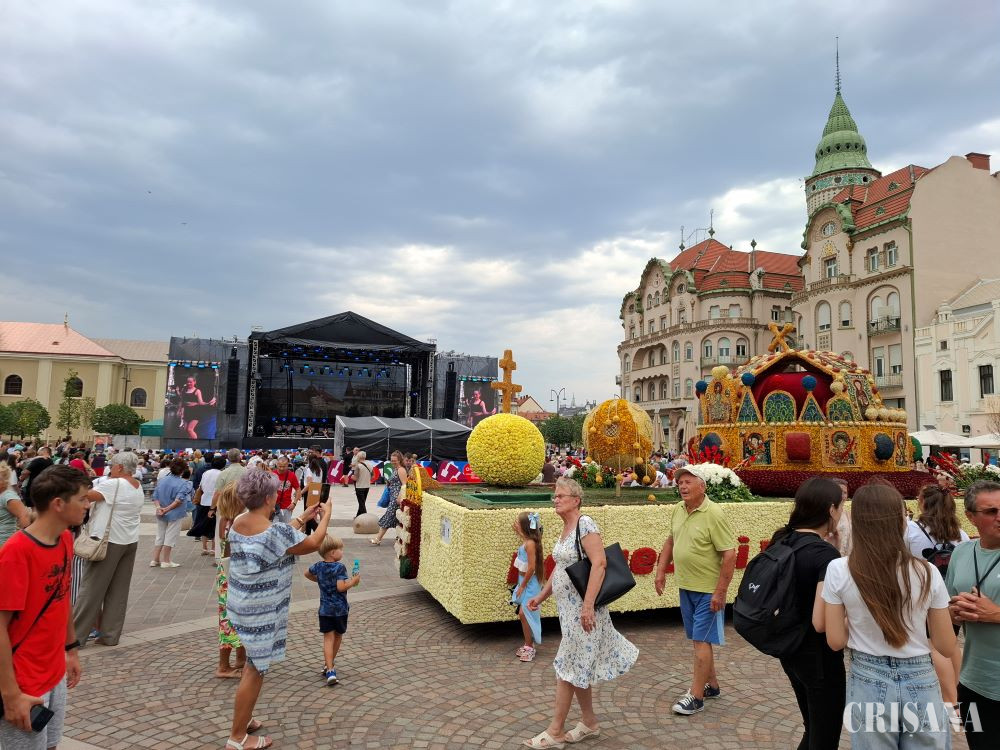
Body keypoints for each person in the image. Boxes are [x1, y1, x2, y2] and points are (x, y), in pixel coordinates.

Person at [823, 482, 956, 748]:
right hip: (920, 676)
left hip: (867, 677)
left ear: (858, 522)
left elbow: (835, 641)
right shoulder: (927, 572)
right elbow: (946, 645)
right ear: (901, 521)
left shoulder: (838, 569)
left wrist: (858, 618)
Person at [523, 477, 637, 747]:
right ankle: (589, 723)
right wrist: (541, 596)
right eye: (555, 496)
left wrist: (587, 606)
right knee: (578, 666)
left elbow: (599, 564)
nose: (556, 500)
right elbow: (561, 568)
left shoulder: (585, 524)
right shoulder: (566, 529)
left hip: (584, 613)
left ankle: (555, 732)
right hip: (569, 613)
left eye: (560, 496)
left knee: (568, 667)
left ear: (576, 500)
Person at [223, 470, 333, 750]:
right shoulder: (276, 532)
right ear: (269, 498)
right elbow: (312, 543)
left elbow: (279, 539)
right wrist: (326, 516)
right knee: (254, 669)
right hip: (260, 609)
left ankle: (244, 718)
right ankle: (237, 737)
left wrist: (303, 517)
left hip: (241, 603)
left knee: (252, 664)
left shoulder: (239, 521)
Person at [0, 465, 89, 749]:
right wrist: (10, 695)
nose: (88, 505)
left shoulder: (65, 538)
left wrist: (70, 649)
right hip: (22, 678)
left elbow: (62, 598)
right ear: (58, 504)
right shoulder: (16, 552)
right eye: (82, 499)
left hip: (53, 670)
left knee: (50, 744)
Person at [654, 465, 736, 715]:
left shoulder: (714, 513)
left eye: (688, 482)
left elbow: (730, 554)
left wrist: (720, 592)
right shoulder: (679, 509)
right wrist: (660, 571)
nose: (682, 486)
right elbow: (671, 540)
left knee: (700, 640)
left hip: (707, 590)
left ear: (702, 486)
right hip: (686, 586)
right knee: (700, 639)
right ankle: (712, 686)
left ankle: (696, 697)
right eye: (680, 482)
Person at [770, 477, 846, 750]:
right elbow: (822, 621)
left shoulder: (782, 540)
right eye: (841, 506)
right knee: (825, 735)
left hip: (790, 648)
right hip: (819, 657)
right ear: (830, 510)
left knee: (812, 726)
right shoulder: (824, 555)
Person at [906, 484, 971, 711]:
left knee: (934, 645)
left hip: (923, 595)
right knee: (951, 644)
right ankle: (961, 691)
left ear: (923, 503)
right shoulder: (959, 533)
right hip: (952, 596)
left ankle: (951, 699)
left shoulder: (911, 530)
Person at [946, 480, 1000, 748]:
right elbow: (947, 612)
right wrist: (954, 613)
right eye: (991, 511)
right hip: (974, 683)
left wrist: (995, 614)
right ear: (970, 517)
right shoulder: (961, 552)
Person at [72, 452, 145, 648]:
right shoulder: (137, 486)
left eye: (111, 466)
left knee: (91, 590)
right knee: (118, 591)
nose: (109, 469)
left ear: (119, 467)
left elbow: (83, 496)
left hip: (108, 541)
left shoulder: (114, 484)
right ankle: (110, 635)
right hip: (129, 541)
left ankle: (75, 637)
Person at [305, 535, 360, 686]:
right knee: (337, 636)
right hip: (339, 609)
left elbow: (306, 573)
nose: (342, 551)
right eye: (340, 549)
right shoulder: (339, 567)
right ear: (332, 553)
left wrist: (320, 580)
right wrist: (353, 581)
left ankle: (329, 667)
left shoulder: (318, 566)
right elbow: (341, 587)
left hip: (324, 609)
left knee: (327, 638)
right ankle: (330, 667)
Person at [213, 482, 246, 679]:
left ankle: (241, 658)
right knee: (229, 620)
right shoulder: (237, 523)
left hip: (226, 574)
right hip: (233, 576)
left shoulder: (226, 520)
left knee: (238, 618)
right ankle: (223, 666)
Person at [511, 511, 544, 663]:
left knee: (525, 613)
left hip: (530, 584)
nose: (516, 524)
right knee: (523, 614)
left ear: (525, 526)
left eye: (518, 523)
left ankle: (529, 646)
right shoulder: (528, 540)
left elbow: (531, 568)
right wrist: (519, 530)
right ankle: (528, 644)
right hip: (525, 581)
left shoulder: (530, 544)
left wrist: (522, 586)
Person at [150, 457, 193, 568]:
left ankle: (155, 559)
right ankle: (166, 561)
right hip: (175, 513)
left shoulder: (162, 480)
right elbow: (178, 500)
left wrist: (159, 508)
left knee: (160, 535)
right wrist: (167, 509)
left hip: (160, 512)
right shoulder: (183, 483)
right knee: (170, 536)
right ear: (182, 470)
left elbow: (155, 496)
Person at [189, 454, 226, 555]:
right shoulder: (222, 474)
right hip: (216, 503)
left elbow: (201, 486)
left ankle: (204, 548)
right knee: (215, 525)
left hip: (203, 501)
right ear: (223, 465)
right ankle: (213, 548)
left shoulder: (206, 473)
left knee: (204, 524)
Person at [371, 451, 406, 546]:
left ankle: (378, 539)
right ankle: (401, 538)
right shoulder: (395, 469)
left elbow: (404, 485)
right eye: (391, 460)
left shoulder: (401, 470)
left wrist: (399, 497)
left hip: (397, 498)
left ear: (399, 460)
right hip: (393, 496)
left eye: (395, 460)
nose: (393, 462)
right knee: (397, 519)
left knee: (389, 516)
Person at [0, 463, 31, 547]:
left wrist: (22, 541)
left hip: (4, 543)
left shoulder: (8, 496)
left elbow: (24, 516)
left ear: (4, 480)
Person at [181, 375, 216, 440]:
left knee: (190, 429)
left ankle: (195, 443)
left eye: (190, 382)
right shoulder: (184, 390)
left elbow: (200, 402)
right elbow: (182, 402)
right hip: (187, 411)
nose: (189, 383)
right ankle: (190, 441)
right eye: (188, 382)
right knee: (185, 430)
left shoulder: (197, 391)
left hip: (195, 412)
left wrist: (208, 403)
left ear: (194, 382)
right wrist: (181, 412)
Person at [271, 455, 300, 524]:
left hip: (287, 507)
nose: (281, 468)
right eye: (280, 466)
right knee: (273, 527)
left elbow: (298, 489)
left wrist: (294, 503)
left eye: (284, 466)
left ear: (287, 465)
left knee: (285, 527)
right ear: (277, 464)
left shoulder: (292, 475)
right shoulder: (272, 474)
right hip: (273, 507)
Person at [827, 477, 853, 556]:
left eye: (845, 492)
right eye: (840, 492)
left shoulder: (848, 515)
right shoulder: (825, 513)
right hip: (829, 555)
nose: (843, 496)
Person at [351, 451, 372, 517]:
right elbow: (372, 475)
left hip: (360, 486)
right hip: (367, 486)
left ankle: (365, 518)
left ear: (358, 457)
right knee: (362, 502)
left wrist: (352, 477)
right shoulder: (370, 464)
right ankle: (358, 516)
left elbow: (355, 478)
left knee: (361, 503)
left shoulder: (358, 466)